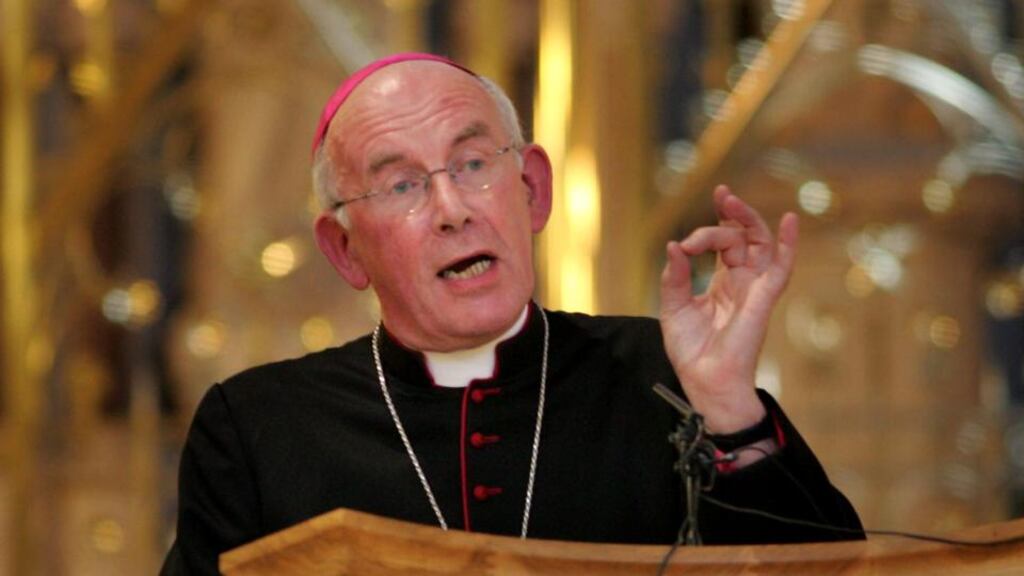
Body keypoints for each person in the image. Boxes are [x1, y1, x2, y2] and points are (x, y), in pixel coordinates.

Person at [161, 53, 862, 575]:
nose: (452, 210)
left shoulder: (669, 379)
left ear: (531, 189)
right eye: (401, 185)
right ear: (345, 250)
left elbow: (834, 572)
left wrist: (730, 409)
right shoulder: (258, 430)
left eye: (473, 164)